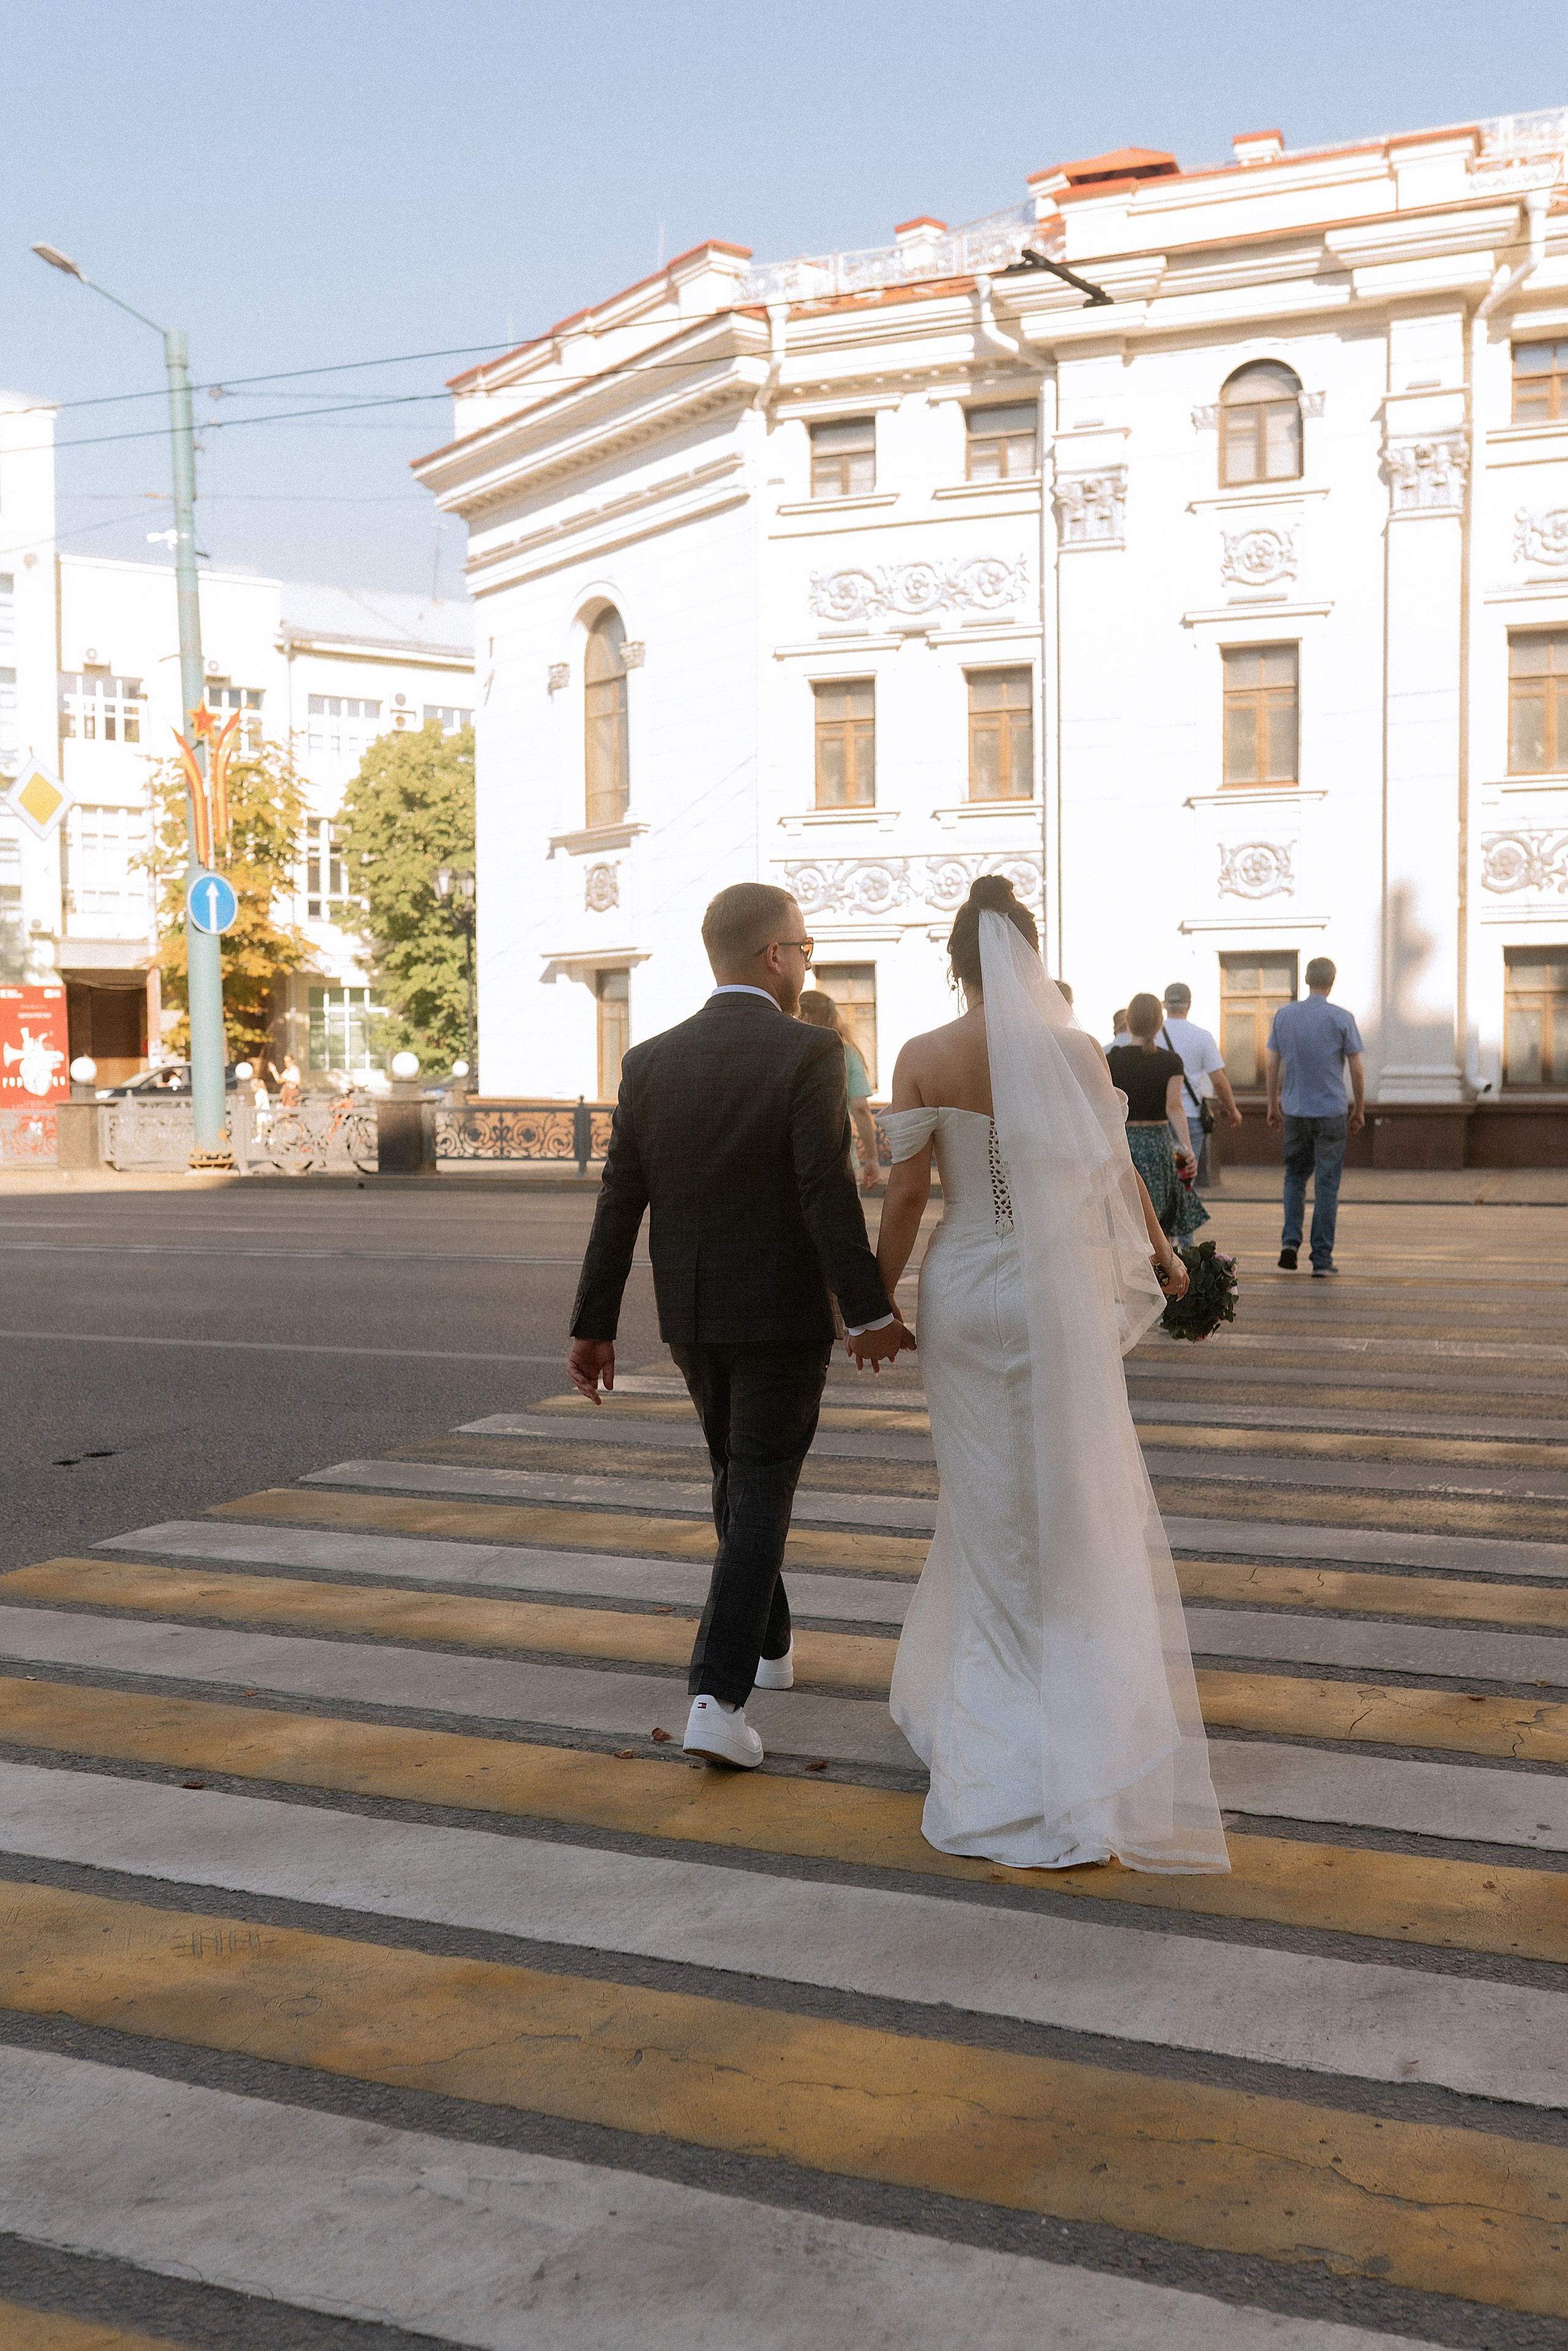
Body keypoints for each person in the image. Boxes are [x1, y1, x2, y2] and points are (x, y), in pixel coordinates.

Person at [872, 875, 1229, 1873]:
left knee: (984, 1499)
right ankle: (1075, 1738)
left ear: (956, 962)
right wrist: (1164, 1255)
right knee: (1069, 1496)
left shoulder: (923, 1054)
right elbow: (1116, 1171)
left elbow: (905, 1193)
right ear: (1030, 956)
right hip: (1054, 1292)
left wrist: (869, 1300)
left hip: (965, 1288)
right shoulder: (1076, 1051)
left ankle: (995, 1727)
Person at [567, 881, 908, 1772]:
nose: (808, 962)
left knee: (738, 1481)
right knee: (755, 1484)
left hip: (691, 1313)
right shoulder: (809, 1051)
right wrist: (869, 1307)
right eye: (805, 948)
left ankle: (772, 1643)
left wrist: (592, 1325)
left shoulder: (650, 1060)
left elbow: (620, 1199)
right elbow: (822, 1187)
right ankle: (717, 1698)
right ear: (773, 956)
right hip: (784, 1316)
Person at [1267, 956, 1365, 1277]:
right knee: (1326, 1185)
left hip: (1295, 1111)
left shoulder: (1284, 1016)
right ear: (1332, 981)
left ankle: (1290, 1244)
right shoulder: (1342, 1018)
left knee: (1294, 1177)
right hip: (1331, 1113)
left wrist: (1272, 1104)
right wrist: (1359, 1108)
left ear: (1306, 979)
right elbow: (1356, 1068)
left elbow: (1271, 1065)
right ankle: (1321, 1259)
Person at [1106, 996, 1208, 1240]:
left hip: (1125, 1144)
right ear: (1159, 1023)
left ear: (1128, 1022)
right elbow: (1175, 1108)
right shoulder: (1171, 1061)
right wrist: (1187, 1148)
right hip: (1159, 1145)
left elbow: (1106, 1109)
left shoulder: (1112, 1060)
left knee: (1128, 1219)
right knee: (1160, 1220)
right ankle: (1164, 1270)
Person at [1159, 982, 1243, 1185]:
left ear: (1165, 1005)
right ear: (1189, 1005)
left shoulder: (1153, 1036)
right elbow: (1219, 1080)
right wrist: (1232, 1110)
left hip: (1157, 1120)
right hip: (1189, 1120)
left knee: (1159, 1182)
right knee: (1183, 1181)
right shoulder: (1202, 1037)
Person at [799, 988, 880, 1190]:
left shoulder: (790, 1052)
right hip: (840, 1159)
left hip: (797, 1160)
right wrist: (872, 1158)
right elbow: (860, 1108)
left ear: (805, 1016)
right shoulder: (848, 1053)